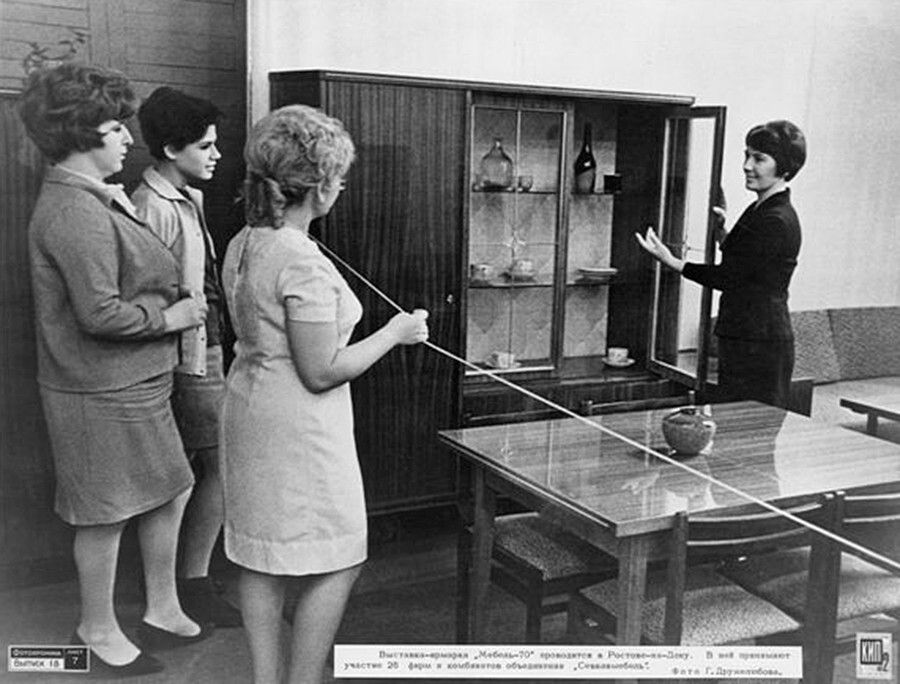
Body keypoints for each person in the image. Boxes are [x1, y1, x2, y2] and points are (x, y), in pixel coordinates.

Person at [220, 104, 429, 684]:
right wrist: (395, 333)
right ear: (319, 187)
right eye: (339, 177)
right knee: (340, 555)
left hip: (249, 408)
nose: (341, 187)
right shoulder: (300, 261)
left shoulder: (246, 240)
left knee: (261, 554)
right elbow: (320, 371)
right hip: (299, 426)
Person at [20, 63, 210, 676]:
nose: (129, 138)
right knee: (104, 514)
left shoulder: (95, 195)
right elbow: (99, 313)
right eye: (114, 128)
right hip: (97, 387)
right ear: (79, 135)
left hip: (134, 381)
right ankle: (95, 627)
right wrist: (172, 315)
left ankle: (162, 607)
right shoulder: (72, 209)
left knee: (173, 487)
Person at [132, 86, 241, 628]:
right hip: (183, 360)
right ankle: (187, 584)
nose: (216, 155)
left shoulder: (187, 198)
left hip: (208, 349)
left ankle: (190, 580)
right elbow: (146, 294)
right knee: (197, 471)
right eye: (205, 146)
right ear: (172, 149)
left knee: (213, 467)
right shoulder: (150, 206)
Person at [636, 120, 806, 409]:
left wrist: (672, 261)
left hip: (759, 343)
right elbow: (750, 262)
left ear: (785, 167)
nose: (747, 165)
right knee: (734, 424)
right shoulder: (762, 208)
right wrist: (722, 231)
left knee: (751, 427)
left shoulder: (775, 219)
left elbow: (731, 277)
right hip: (746, 337)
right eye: (747, 155)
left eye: (759, 159)